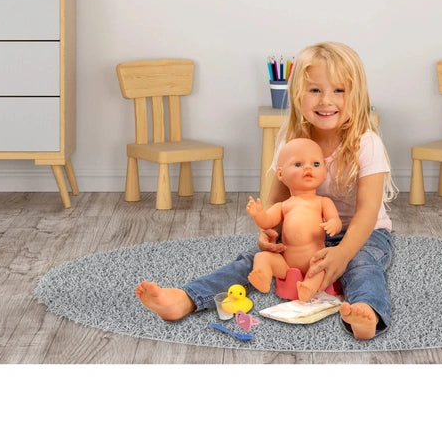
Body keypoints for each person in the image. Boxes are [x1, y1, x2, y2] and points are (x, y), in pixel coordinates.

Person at [135, 41, 396, 339]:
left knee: (362, 264)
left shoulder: (366, 142)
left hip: (364, 232)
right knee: (250, 260)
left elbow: (367, 210)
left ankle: (366, 313)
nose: (326, 100)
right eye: (315, 90)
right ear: (298, 94)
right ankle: (187, 298)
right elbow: (277, 198)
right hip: (307, 234)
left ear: (357, 95)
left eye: (339, 90)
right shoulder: (291, 140)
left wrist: (344, 252)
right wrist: (269, 231)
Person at [245, 136, 342, 301]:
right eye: (298, 164)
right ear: (281, 174)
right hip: (286, 263)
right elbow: (267, 222)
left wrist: (333, 224)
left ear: (324, 172)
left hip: (314, 259)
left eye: (316, 164)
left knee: (323, 267)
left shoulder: (322, 202)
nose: (308, 168)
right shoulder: (284, 206)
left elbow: (336, 220)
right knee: (261, 257)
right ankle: (263, 277)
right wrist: (257, 214)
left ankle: (308, 288)